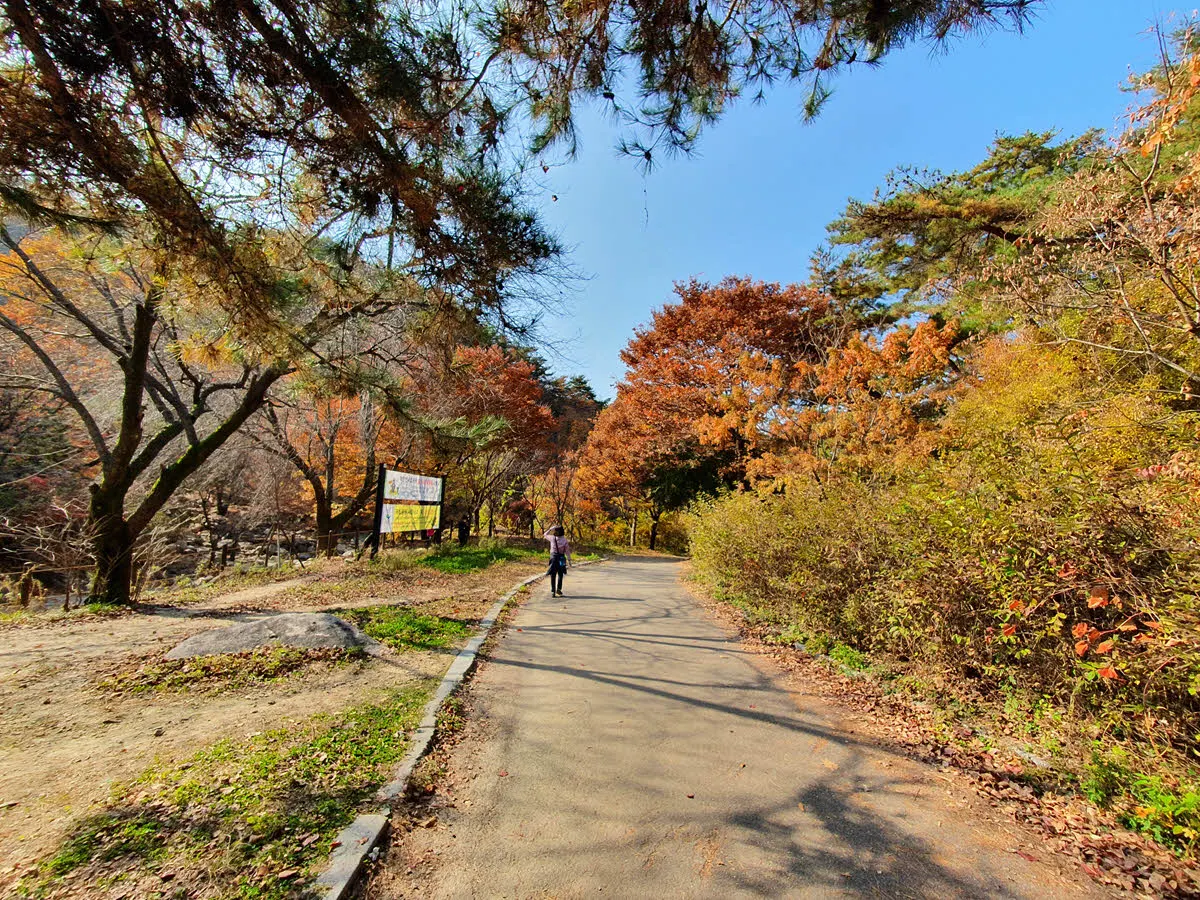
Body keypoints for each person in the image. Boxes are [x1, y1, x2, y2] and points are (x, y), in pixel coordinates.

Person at [544, 525, 571, 597]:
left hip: (553, 558)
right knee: (560, 574)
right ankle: (558, 589)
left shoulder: (552, 538)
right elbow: (567, 551)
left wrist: (550, 529)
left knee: (553, 574)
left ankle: (553, 591)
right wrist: (569, 560)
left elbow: (545, 534)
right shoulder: (565, 540)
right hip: (561, 558)